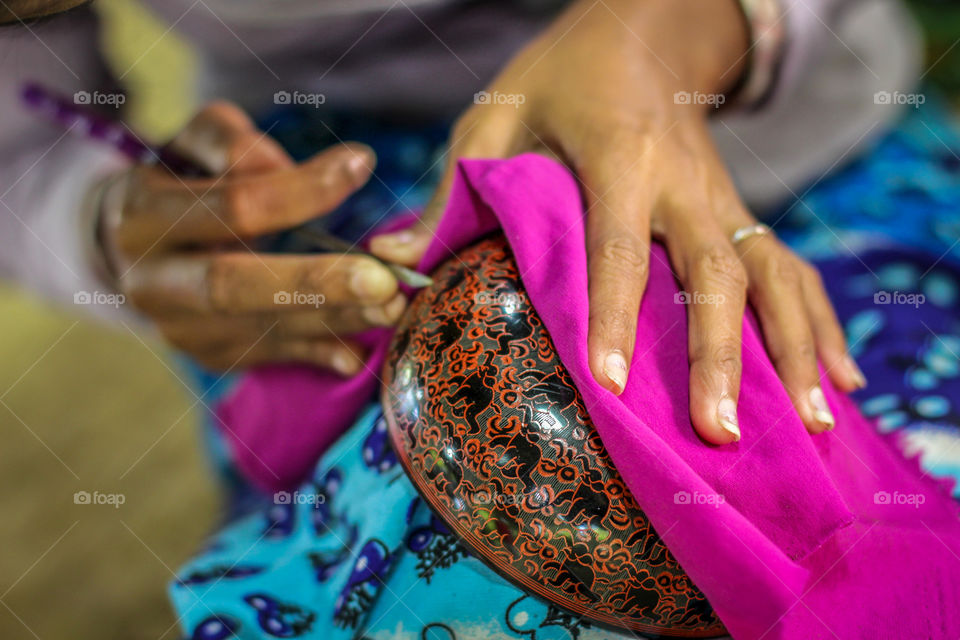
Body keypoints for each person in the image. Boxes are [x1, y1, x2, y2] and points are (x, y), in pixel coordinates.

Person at [0, 0, 919, 448]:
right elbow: (23, 142)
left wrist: (679, 27)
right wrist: (100, 224)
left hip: (802, 130)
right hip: (316, 199)